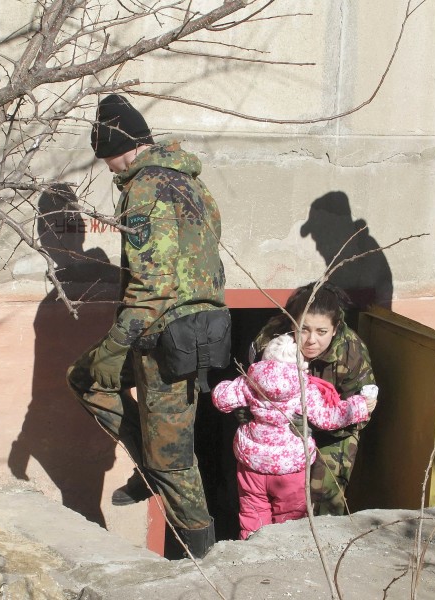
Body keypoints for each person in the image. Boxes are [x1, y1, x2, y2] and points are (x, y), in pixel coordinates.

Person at [66, 94, 226, 558]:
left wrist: (114, 350)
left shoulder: (145, 188)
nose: (110, 169)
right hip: (194, 327)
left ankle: (204, 561)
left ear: (123, 145)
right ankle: (148, 464)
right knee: (85, 378)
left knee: (173, 462)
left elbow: (152, 284)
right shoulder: (193, 183)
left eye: (108, 157)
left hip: (165, 336)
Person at [213, 333, 377, 538]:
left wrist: (230, 387)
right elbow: (330, 417)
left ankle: (253, 554)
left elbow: (221, 399)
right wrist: (360, 405)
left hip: (252, 467)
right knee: (290, 521)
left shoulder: (249, 381)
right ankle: (285, 559)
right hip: (290, 470)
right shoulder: (305, 387)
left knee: (253, 515)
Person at [250, 282, 377, 516]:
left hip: (333, 432)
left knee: (323, 496)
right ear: (291, 323)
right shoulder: (272, 340)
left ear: (335, 327)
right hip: (277, 428)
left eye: (321, 332)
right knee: (269, 493)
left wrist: (316, 424)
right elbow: (248, 389)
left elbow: (360, 414)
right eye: (303, 329)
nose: (311, 341)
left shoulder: (351, 352)